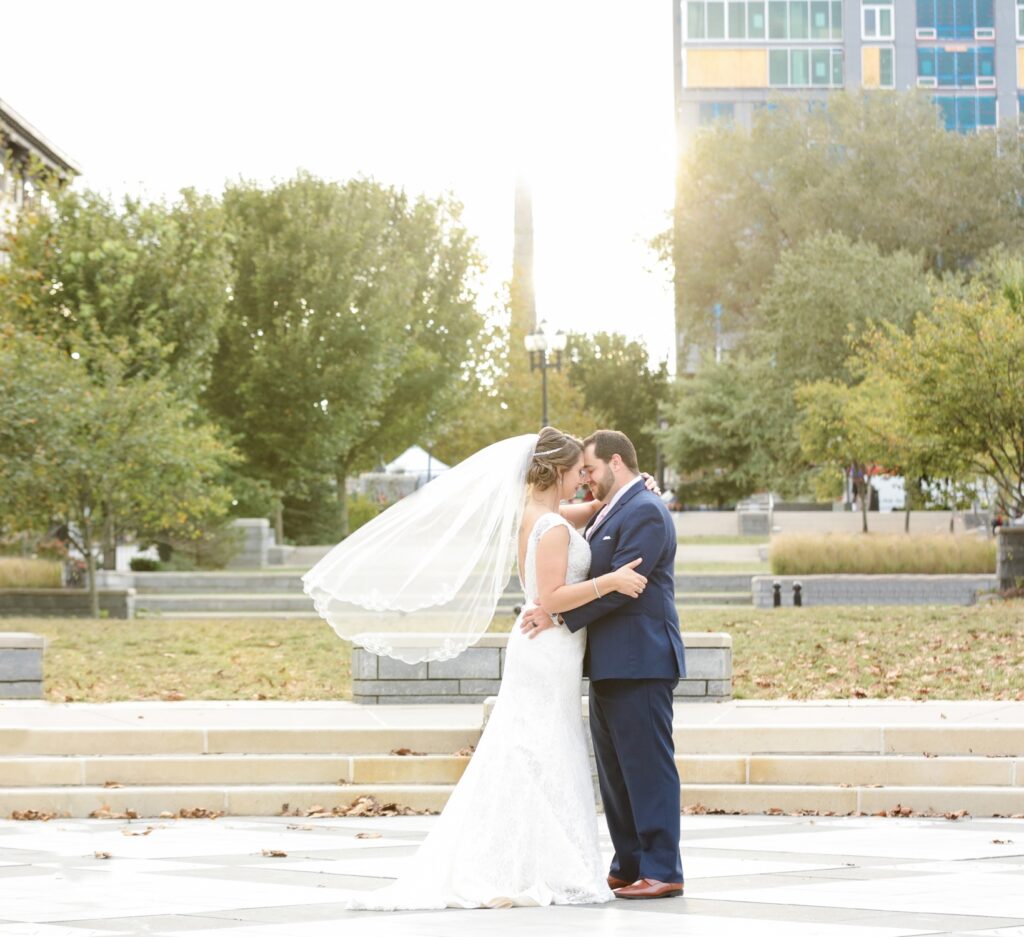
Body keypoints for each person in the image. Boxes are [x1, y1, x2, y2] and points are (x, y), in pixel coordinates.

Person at [337, 427, 649, 910]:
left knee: (538, 745)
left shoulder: (540, 515)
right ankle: (538, 862)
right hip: (546, 648)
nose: (582, 481)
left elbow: (590, 511)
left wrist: (635, 484)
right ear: (557, 471)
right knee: (540, 746)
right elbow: (550, 599)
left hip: (547, 651)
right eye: (576, 472)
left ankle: (535, 854)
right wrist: (609, 580)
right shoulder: (549, 527)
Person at [521, 429, 686, 900]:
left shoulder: (647, 512)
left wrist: (557, 613)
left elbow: (622, 584)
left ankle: (663, 869)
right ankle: (628, 862)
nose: (585, 480)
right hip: (610, 661)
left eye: (590, 470)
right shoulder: (610, 508)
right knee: (616, 772)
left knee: (648, 767)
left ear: (616, 463)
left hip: (642, 658)